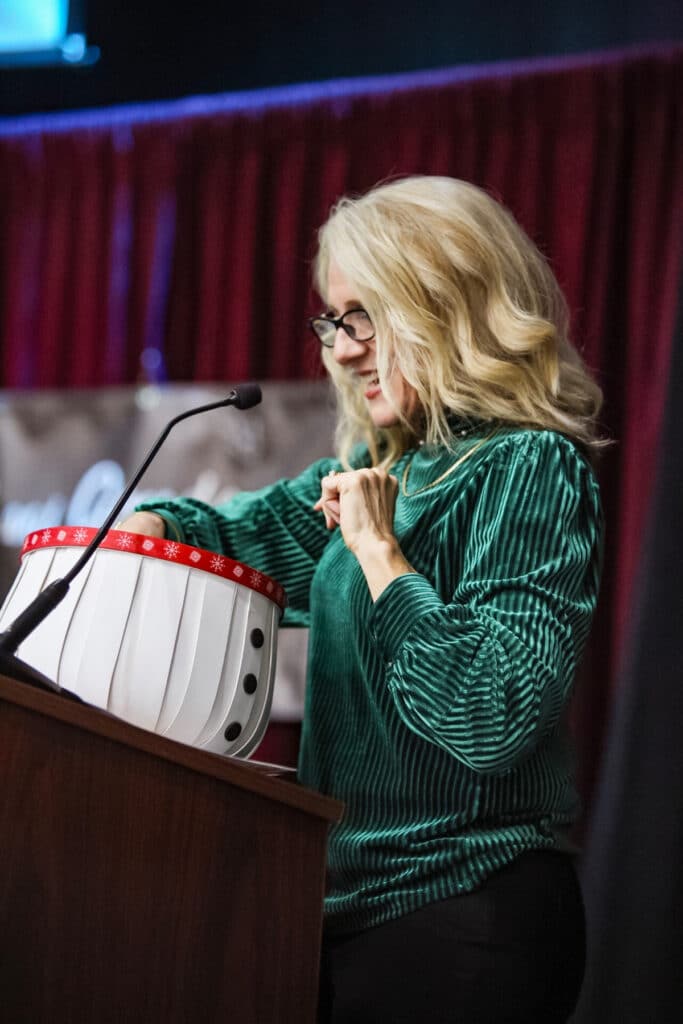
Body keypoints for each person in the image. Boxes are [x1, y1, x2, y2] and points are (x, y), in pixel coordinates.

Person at [120, 175, 604, 1023]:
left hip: (465, 913)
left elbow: (489, 715)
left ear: (447, 305)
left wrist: (381, 556)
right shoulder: (383, 468)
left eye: (362, 317)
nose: (341, 350)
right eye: (332, 321)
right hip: (339, 913)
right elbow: (237, 538)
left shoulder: (529, 467)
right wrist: (150, 526)